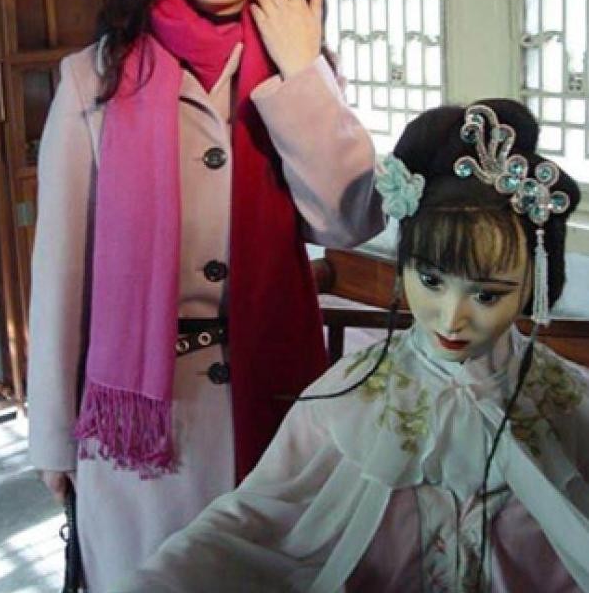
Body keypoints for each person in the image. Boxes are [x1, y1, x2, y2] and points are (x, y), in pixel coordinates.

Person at [27, 0, 384, 592]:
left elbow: (349, 220)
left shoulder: (299, 63)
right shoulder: (93, 78)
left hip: (282, 411)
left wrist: (302, 74)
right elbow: (59, 273)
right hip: (146, 426)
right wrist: (52, 436)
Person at [110, 99, 589, 593]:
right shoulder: (349, 396)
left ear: (534, 286)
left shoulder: (566, 403)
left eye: (487, 295)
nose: (452, 318)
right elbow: (256, 518)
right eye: (430, 280)